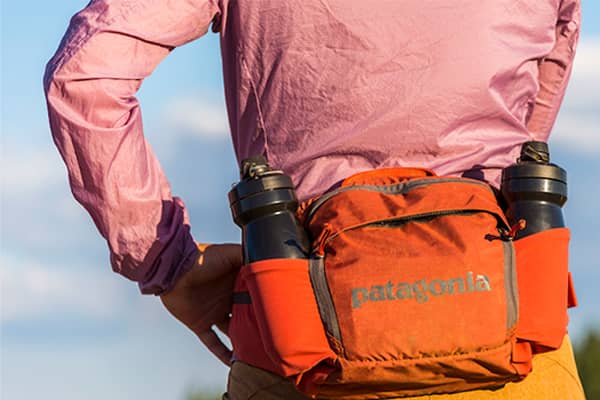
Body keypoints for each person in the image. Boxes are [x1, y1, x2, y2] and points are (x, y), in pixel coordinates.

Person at [44, 1, 585, 398]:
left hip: (301, 340)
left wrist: (168, 261)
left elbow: (85, 80)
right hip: (511, 327)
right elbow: (548, 67)